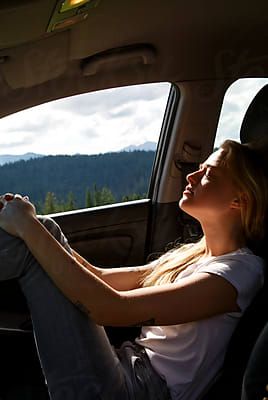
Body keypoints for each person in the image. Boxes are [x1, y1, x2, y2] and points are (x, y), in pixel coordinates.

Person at [0, 139, 266, 400]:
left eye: (210, 174)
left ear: (239, 200)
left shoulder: (238, 273)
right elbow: (101, 277)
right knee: (45, 230)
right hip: (127, 363)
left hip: (139, 390)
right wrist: (36, 228)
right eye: (200, 167)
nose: (193, 176)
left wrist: (28, 226)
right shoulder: (193, 254)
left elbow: (112, 309)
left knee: (37, 238)